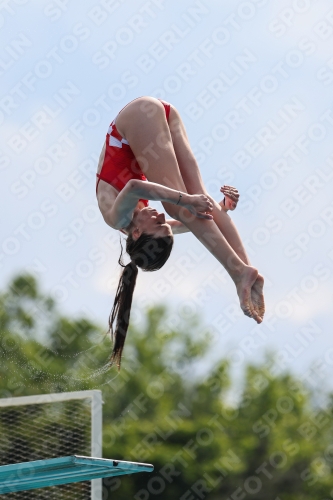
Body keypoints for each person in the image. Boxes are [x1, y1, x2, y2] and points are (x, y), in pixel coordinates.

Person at [96, 96, 265, 368]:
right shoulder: (140, 218)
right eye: (165, 225)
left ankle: (238, 274)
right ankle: (247, 270)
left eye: (158, 225)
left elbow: (135, 188)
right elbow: (192, 222)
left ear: (137, 234)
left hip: (137, 119)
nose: (161, 217)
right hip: (163, 115)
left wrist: (183, 201)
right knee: (202, 203)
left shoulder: (117, 217)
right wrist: (222, 207)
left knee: (182, 204)